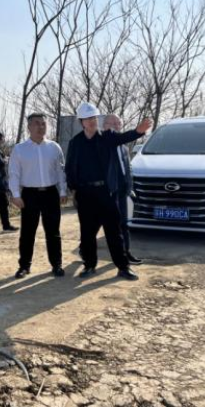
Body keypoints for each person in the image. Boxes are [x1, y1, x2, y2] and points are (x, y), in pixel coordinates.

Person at [65, 102, 151, 281]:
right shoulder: (76, 143)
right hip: (85, 194)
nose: (92, 121)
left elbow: (123, 137)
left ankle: (123, 267)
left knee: (114, 232)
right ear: (81, 122)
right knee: (87, 233)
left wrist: (138, 131)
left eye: (94, 118)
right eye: (88, 119)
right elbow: (70, 167)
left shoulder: (107, 137)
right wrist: (73, 189)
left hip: (106, 192)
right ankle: (89, 265)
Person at [9, 113, 67, 279]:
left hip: (50, 193)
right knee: (27, 232)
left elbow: (60, 171)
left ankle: (56, 264)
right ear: (29, 127)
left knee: (53, 231)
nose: (41, 127)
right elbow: (14, 173)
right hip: (29, 195)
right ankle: (24, 266)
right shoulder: (19, 149)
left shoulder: (54, 147)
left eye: (43, 123)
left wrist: (63, 191)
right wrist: (16, 195)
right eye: (36, 123)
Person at [103, 114, 142, 265]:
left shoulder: (125, 148)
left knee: (124, 223)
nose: (116, 125)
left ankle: (126, 253)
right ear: (105, 126)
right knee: (98, 224)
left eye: (118, 123)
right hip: (108, 192)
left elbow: (128, 168)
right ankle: (85, 249)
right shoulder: (104, 144)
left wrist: (129, 186)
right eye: (112, 122)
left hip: (121, 190)